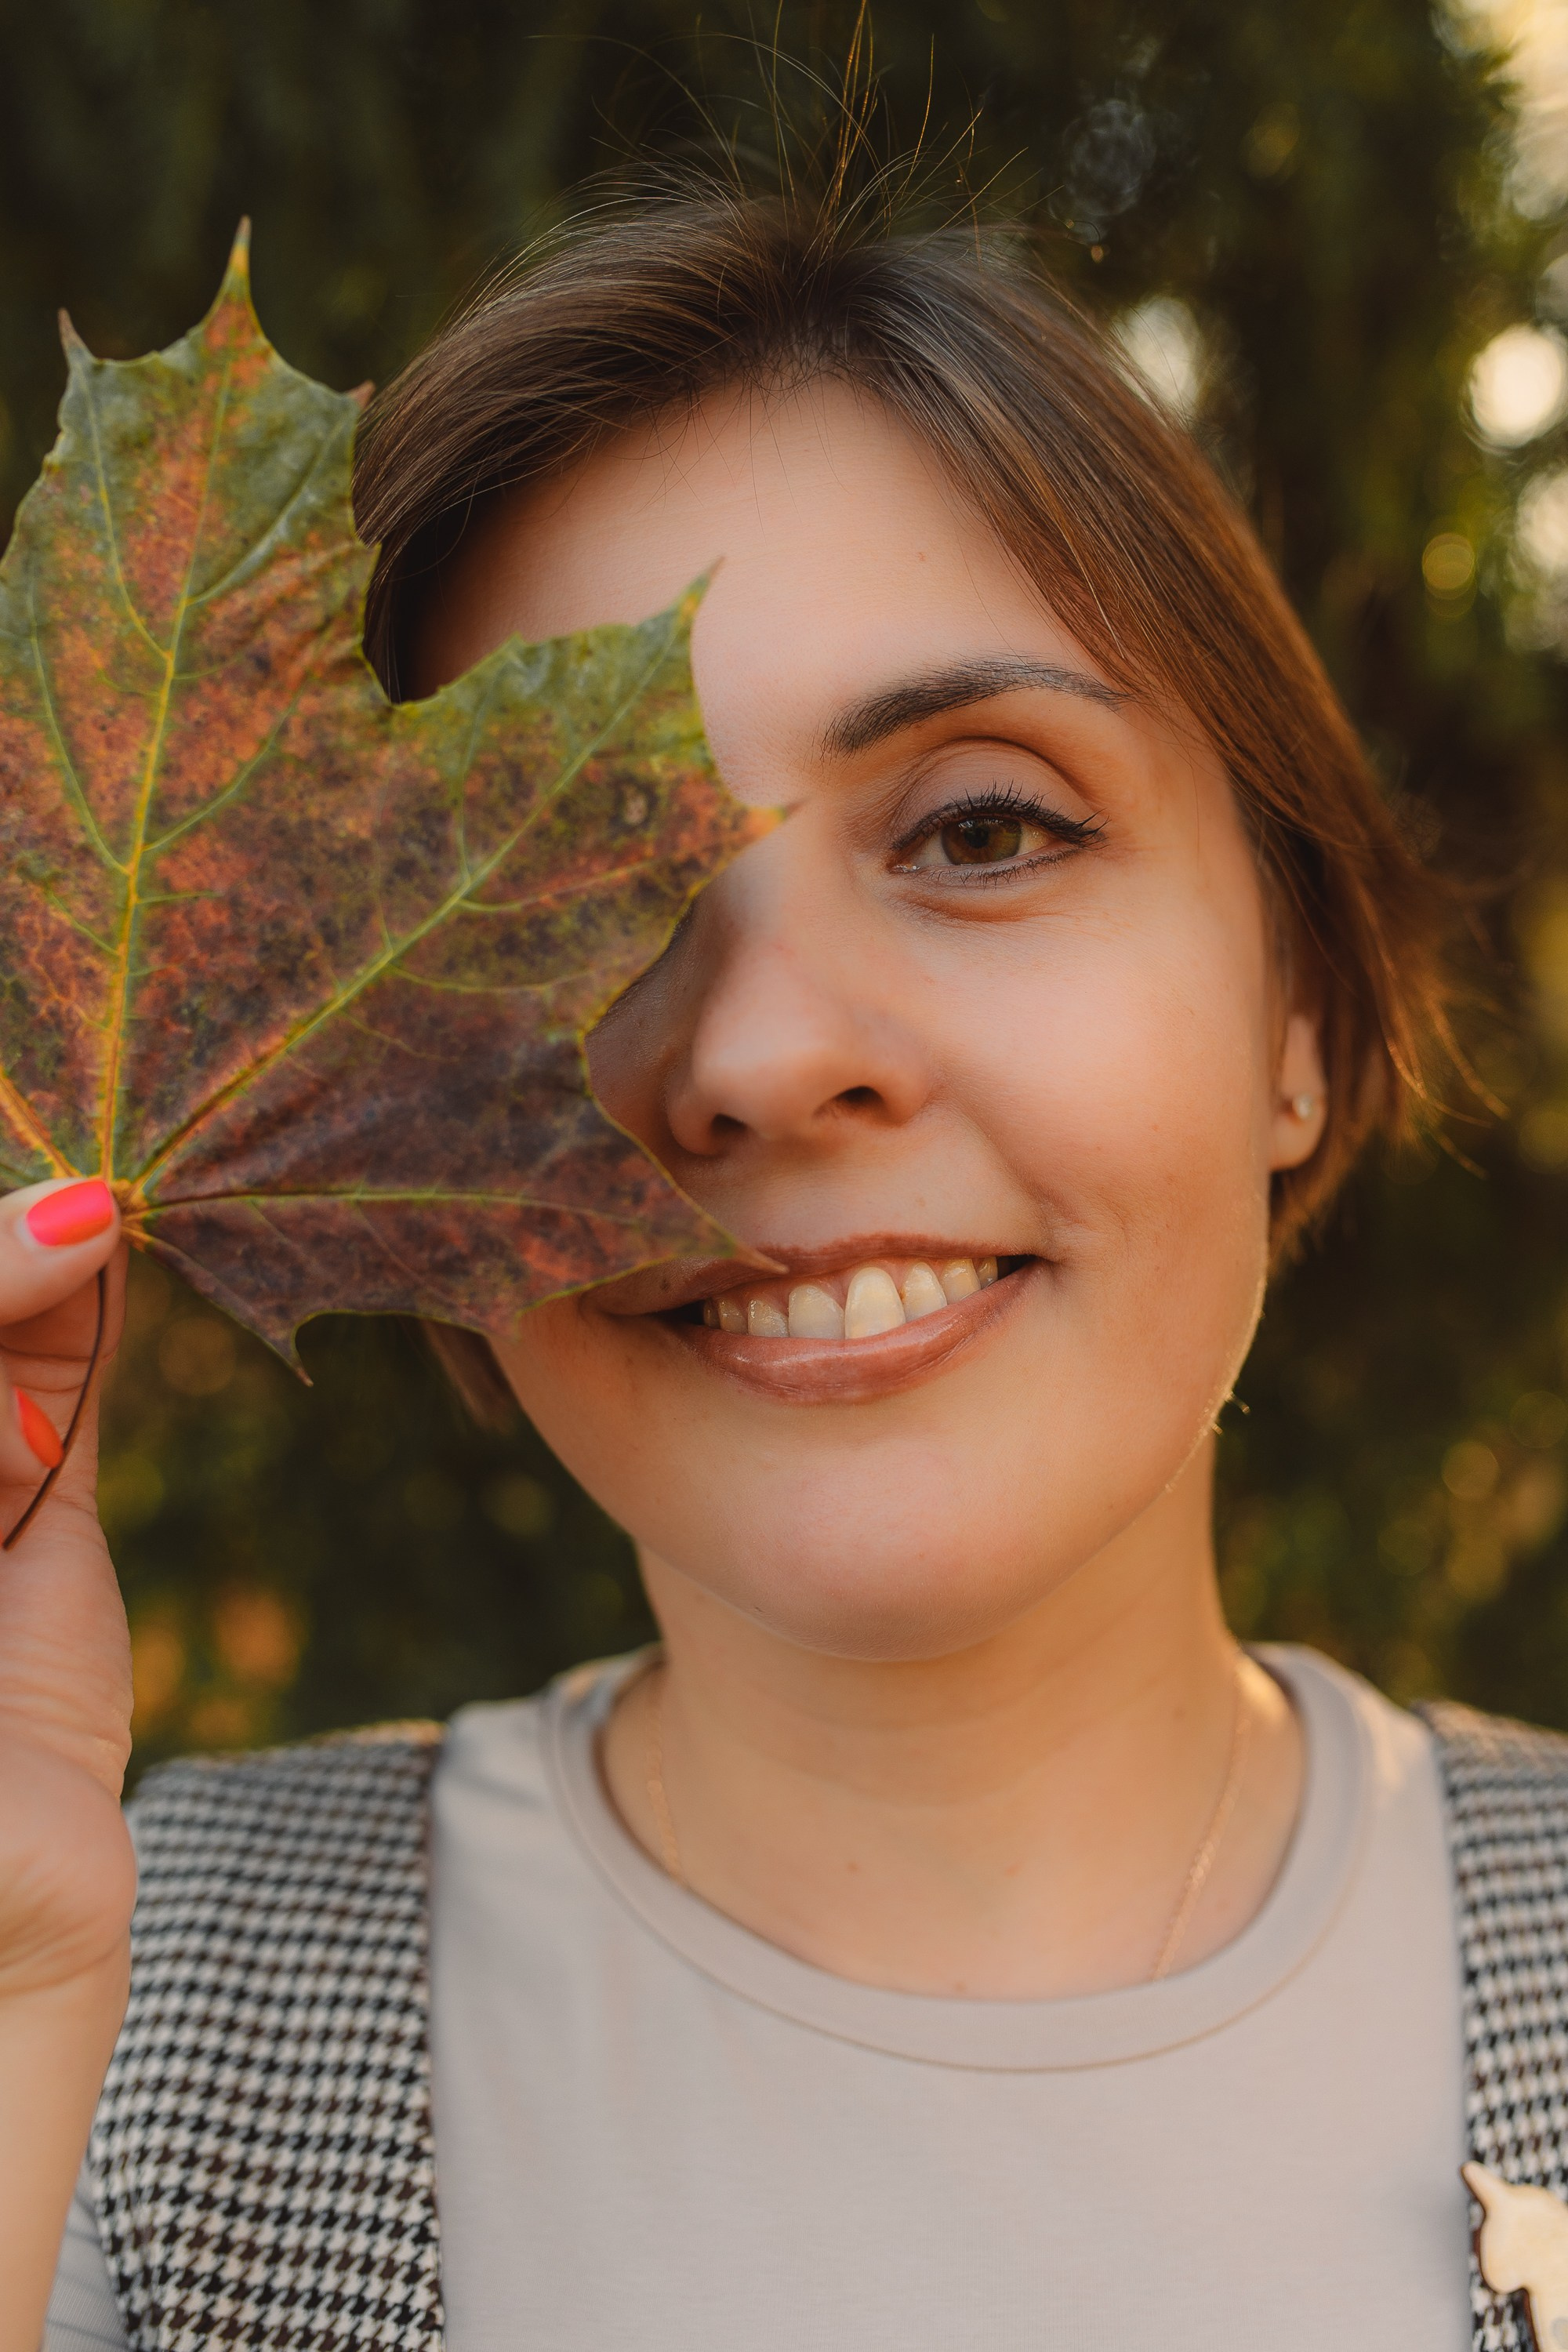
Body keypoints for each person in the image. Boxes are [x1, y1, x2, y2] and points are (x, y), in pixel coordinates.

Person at [10, 169, 1567, 2352]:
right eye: (585, 893)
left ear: (1297, 1015)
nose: (757, 1056)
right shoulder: (103, 2044)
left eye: (984, 829)